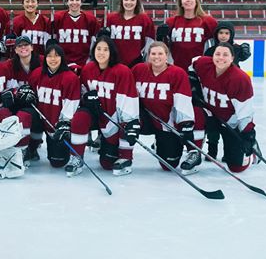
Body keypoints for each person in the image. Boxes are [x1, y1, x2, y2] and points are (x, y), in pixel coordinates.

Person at [70, 36, 140, 176]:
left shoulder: (122, 71)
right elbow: (83, 90)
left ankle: (125, 157)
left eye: (105, 50)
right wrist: (87, 98)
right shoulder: (88, 68)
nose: (101, 53)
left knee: (107, 164)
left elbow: (127, 99)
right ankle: (76, 157)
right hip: (96, 114)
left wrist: (130, 123)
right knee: (79, 117)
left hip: (114, 117)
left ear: (111, 52)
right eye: (98, 49)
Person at [188, 43, 260, 173]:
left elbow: (245, 113)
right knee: (195, 112)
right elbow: (193, 62)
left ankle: (253, 151)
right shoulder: (204, 64)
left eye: (225, 55)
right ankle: (195, 152)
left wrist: (248, 136)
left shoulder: (240, 79)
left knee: (237, 168)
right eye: (218, 54)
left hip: (231, 121)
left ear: (232, 58)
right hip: (209, 114)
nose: (221, 58)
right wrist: (193, 81)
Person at [131, 42, 199, 171]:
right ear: (148, 56)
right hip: (145, 117)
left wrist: (185, 124)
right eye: (153, 54)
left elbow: (182, 100)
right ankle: (122, 155)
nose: (157, 57)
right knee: (124, 122)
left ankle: (161, 143)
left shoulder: (177, 73)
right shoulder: (139, 69)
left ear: (167, 55)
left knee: (169, 165)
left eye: (160, 53)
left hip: (166, 122)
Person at [26, 43, 81, 169]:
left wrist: (65, 122)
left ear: (62, 58)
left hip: (57, 125)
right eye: (49, 56)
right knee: (27, 114)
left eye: (56, 56)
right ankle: (32, 147)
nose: (53, 59)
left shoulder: (70, 78)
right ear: (45, 58)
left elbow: (72, 102)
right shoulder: (37, 74)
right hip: (41, 119)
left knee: (57, 162)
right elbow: (30, 94)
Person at [202, 21, 252, 159]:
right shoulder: (211, 51)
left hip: (230, 91)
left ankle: (228, 151)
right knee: (212, 125)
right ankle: (212, 150)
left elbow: (243, 56)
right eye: (220, 33)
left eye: (227, 33)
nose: (223, 36)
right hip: (214, 90)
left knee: (229, 125)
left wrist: (245, 51)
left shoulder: (236, 49)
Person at [156, 0, 218, 71]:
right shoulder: (171, 21)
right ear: (181, 3)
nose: (188, 0)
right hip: (176, 66)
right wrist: (160, 37)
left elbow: (219, 41)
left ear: (196, 1)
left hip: (200, 67)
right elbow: (164, 45)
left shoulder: (208, 21)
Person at [102, 0, 155, 67]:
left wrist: (146, 59)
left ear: (137, 2)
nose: (129, 3)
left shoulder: (145, 19)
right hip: (113, 60)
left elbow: (149, 43)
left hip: (136, 60)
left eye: (132, 0)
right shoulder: (110, 18)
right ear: (121, 1)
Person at [51, 0, 101, 69]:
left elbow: (94, 42)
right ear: (67, 2)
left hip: (84, 62)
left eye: (77, 0)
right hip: (62, 62)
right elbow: (53, 40)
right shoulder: (58, 18)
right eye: (71, 0)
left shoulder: (90, 19)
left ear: (81, 2)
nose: (74, 2)